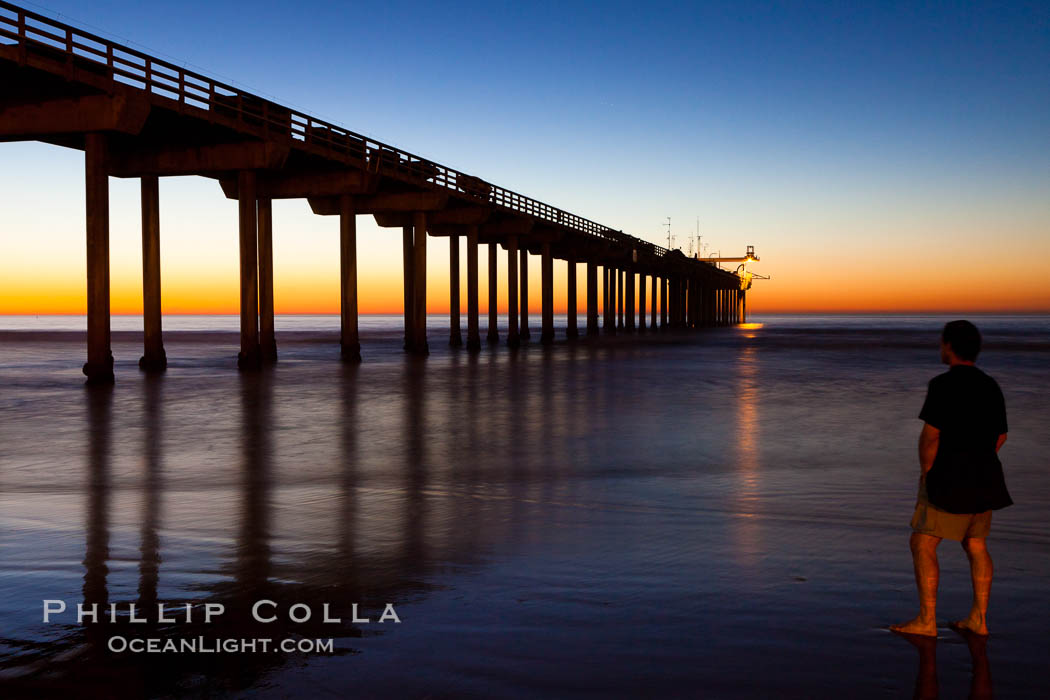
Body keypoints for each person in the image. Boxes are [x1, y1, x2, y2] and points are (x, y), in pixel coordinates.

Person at [891, 320, 1013, 637]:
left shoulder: (943, 385)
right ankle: (979, 619)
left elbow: (931, 436)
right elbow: (1001, 435)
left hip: (950, 477)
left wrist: (927, 472)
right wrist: (982, 456)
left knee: (923, 542)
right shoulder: (990, 385)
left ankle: (926, 621)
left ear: (949, 346)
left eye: (942, 343)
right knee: (976, 544)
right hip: (986, 477)